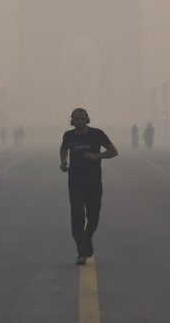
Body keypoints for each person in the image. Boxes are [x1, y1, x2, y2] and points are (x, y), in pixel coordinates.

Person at [60, 108, 118, 265]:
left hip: (93, 182)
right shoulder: (68, 135)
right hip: (75, 182)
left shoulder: (97, 134)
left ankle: (88, 236)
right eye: (76, 119)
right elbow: (64, 148)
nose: (79, 122)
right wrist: (63, 162)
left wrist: (96, 156)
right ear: (72, 120)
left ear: (87, 119)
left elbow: (113, 151)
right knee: (77, 218)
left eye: (82, 119)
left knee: (93, 216)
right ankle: (81, 252)